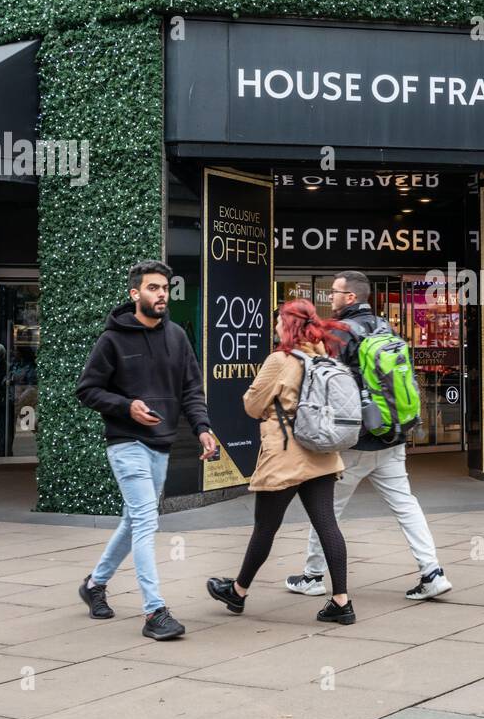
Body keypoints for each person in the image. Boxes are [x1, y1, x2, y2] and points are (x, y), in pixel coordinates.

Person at [283, 270, 452, 601]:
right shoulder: (385, 327)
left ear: (350, 297)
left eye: (334, 292)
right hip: (393, 434)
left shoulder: (341, 334)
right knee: (405, 504)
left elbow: (328, 384)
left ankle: (313, 575)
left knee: (327, 508)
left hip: (356, 439)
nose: (329, 297)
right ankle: (432, 571)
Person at [75, 260, 218, 641]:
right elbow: (87, 389)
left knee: (134, 519)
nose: (161, 295)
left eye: (165, 288)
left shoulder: (177, 337)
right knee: (145, 521)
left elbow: (191, 389)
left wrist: (203, 429)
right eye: (153, 288)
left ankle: (94, 584)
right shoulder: (112, 339)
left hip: (161, 444)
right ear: (134, 293)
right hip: (126, 443)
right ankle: (155, 611)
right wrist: (126, 406)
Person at [206, 299, 356, 625]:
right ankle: (341, 601)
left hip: (286, 457)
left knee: (265, 527)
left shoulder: (280, 359)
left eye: (278, 321)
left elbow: (251, 403)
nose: (274, 325)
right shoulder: (322, 356)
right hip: (322, 454)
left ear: (287, 326)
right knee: (327, 525)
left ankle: (238, 591)